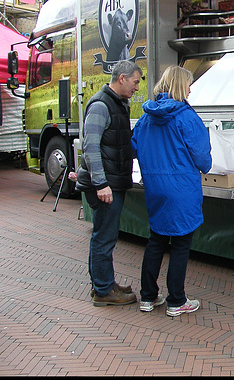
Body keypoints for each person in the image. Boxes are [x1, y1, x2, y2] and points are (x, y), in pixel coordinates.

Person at [131, 66, 212, 317]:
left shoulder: (146, 118)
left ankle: (148, 296)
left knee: (156, 240)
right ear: (180, 85)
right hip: (182, 189)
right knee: (180, 244)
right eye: (188, 84)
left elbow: (134, 147)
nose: (190, 89)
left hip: (155, 188)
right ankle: (176, 300)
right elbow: (202, 158)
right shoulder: (187, 116)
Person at [75, 59, 142, 306]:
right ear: (122, 78)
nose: (137, 87)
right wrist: (102, 184)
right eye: (135, 82)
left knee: (104, 235)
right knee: (104, 237)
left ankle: (103, 283)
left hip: (111, 182)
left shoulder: (118, 104)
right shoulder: (102, 105)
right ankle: (103, 291)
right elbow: (90, 147)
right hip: (105, 185)